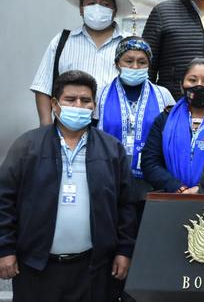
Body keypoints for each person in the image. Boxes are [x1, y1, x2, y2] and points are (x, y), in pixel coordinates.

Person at [0, 70, 136, 302]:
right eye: (70, 99)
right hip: (35, 267)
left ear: (94, 106)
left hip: (93, 269)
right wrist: (5, 250)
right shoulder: (27, 146)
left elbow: (126, 205)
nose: (78, 105)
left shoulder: (112, 149)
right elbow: (4, 200)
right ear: (55, 104)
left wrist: (124, 251)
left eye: (85, 100)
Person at [31, 0, 134, 126]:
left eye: (105, 4)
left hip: (116, 126)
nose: (98, 8)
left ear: (114, 10)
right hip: (68, 125)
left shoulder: (129, 43)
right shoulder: (62, 41)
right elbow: (43, 87)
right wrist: (46, 127)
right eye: (91, 3)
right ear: (81, 8)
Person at [96, 36, 175, 221]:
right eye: (128, 61)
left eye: (142, 62)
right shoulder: (101, 94)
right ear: (117, 63)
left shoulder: (163, 95)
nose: (135, 67)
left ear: (149, 65)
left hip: (150, 180)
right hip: (109, 177)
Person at [141, 58, 204, 194]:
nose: (199, 85)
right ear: (182, 85)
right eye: (192, 80)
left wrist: (202, 188)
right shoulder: (165, 119)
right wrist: (178, 188)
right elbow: (150, 162)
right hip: (173, 199)